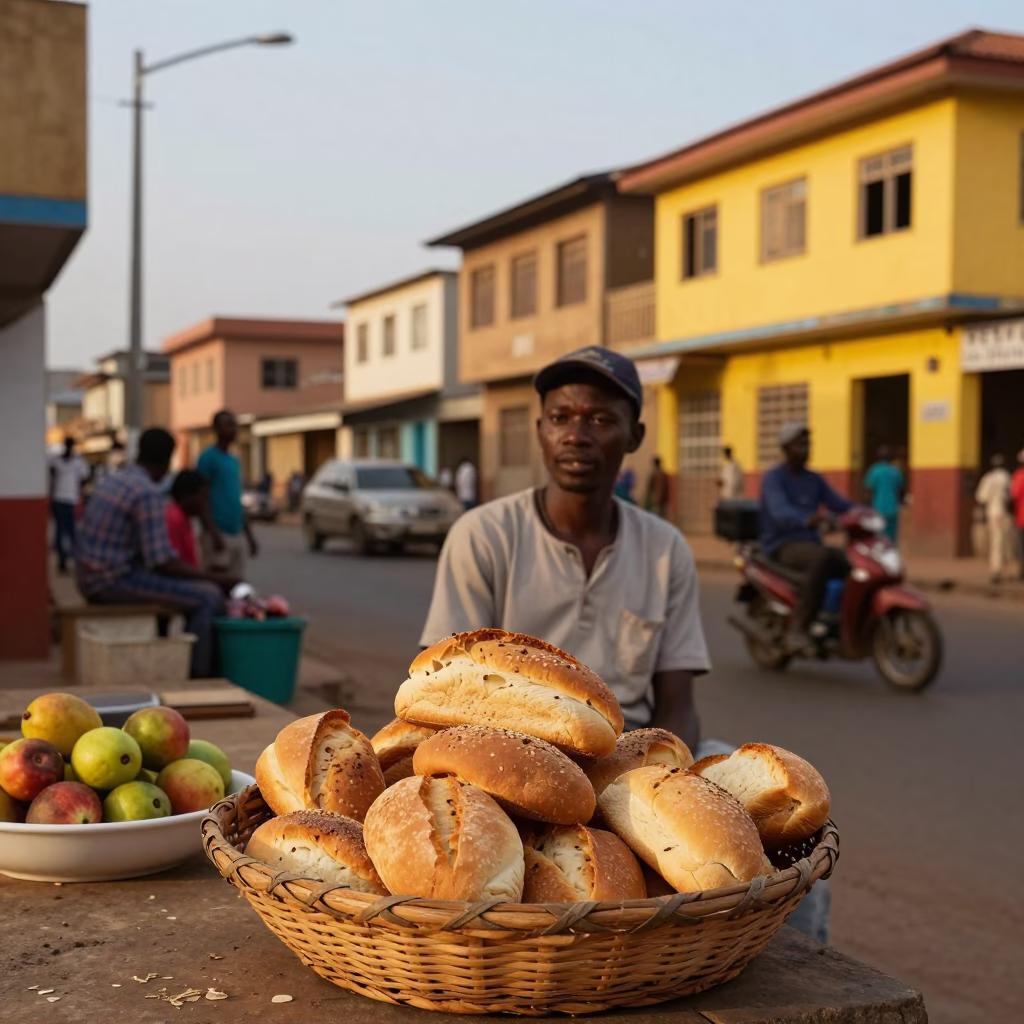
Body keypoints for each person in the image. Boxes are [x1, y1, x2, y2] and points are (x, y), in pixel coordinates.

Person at [420, 346, 829, 942]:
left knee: (798, 821)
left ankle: (793, 962)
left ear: (634, 435)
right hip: (509, 765)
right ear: (540, 431)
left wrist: (668, 786)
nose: (577, 435)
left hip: (637, 756)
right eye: (560, 418)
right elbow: (440, 694)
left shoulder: (665, 548)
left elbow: (678, 699)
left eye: (599, 419)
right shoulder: (482, 537)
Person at [75, 428, 233, 678]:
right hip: (111, 582)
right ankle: (200, 676)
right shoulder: (146, 492)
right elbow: (161, 562)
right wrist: (214, 578)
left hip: (89, 578)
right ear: (167, 460)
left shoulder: (116, 479)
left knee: (200, 588)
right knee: (209, 596)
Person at [759, 423, 853, 653]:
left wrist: (864, 513)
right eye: (800, 444)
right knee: (822, 559)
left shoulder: (814, 479)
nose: (806, 448)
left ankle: (837, 618)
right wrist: (808, 519)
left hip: (809, 543)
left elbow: (839, 504)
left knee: (850, 561)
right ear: (786, 448)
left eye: (808, 443)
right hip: (782, 544)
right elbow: (780, 512)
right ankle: (798, 628)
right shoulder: (774, 479)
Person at [197, 410, 258, 578]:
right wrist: (213, 533)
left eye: (235, 425)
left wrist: (249, 535)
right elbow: (202, 498)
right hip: (218, 533)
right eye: (229, 425)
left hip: (235, 532)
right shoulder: (208, 458)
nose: (234, 429)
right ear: (216, 429)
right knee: (217, 580)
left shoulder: (233, 460)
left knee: (236, 582)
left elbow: (236, 500)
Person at [48, 436, 91, 575]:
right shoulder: (76, 462)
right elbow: (85, 478)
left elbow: (52, 475)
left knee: (63, 532)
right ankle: (70, 561)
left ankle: (65, 562)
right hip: (68, 500)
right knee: (70, 533)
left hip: (61, 499)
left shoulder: (60, 461)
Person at [975, 454, 1013, 584]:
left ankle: (996, 570)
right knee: (1005, 542)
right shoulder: (1007, 477)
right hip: (1005, 514)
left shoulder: (989, 478)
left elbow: (982, 498)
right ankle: (1005, 569)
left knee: (996, 542)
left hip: (993, 513)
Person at [166, 469, 208, 568]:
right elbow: (176, 564)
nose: (205, 504)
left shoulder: (184, 518)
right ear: (187, 496)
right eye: (203, 498)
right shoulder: (174, 519)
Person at [863, 445, 905, 542]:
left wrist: (867, 507)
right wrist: (901, 502)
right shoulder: (895, 471)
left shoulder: (874, 471)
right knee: (891, 537)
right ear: (890, 458)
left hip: (878, 508)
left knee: (878, 536)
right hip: (892, 509)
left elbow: (868, 491)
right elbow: (901, 490)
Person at [1012, 451, 1024, 581]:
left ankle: (1021, 572)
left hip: (1022, 518)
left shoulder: (1019, 475)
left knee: (1021, 547)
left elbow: (1014, 494)